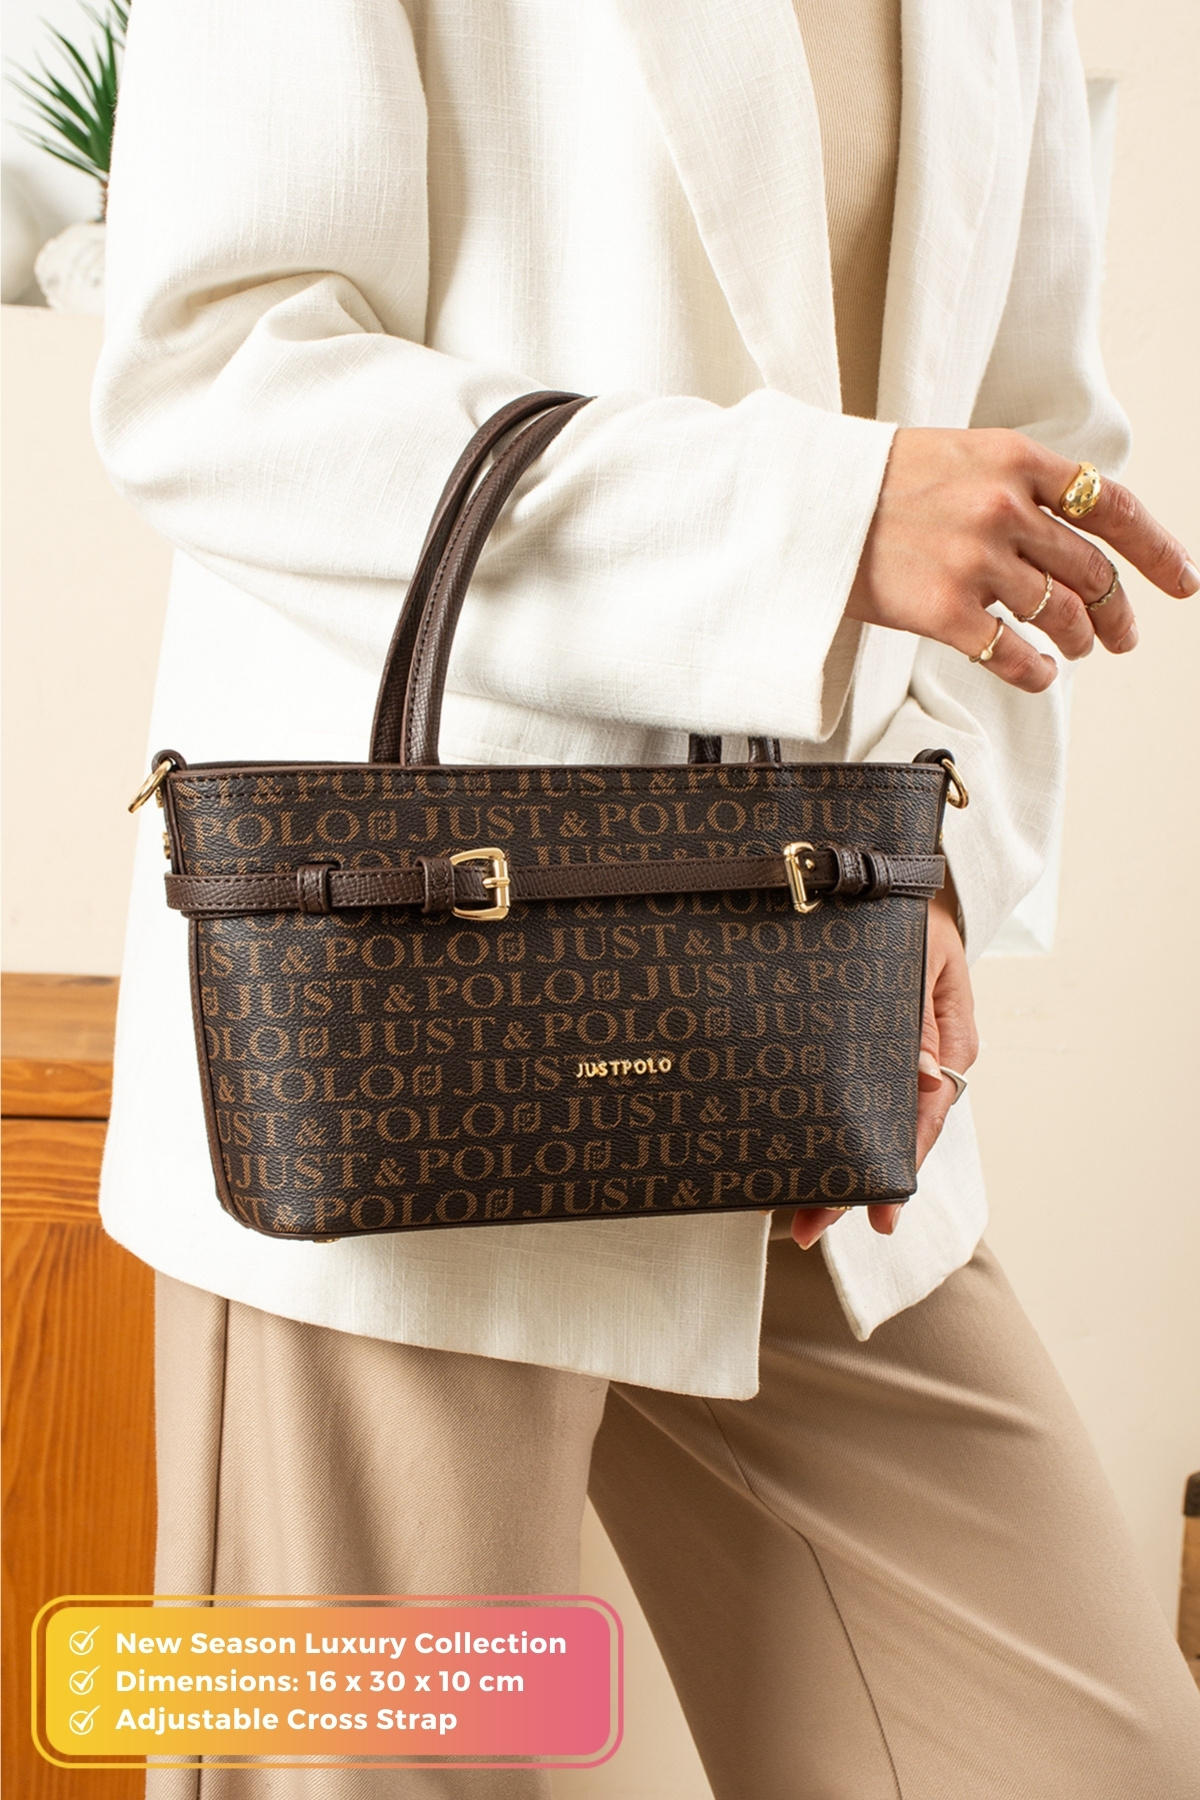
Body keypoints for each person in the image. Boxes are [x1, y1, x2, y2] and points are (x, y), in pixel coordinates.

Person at [93, 1, 1200, 1794]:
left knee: (1088, 1756)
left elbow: (1011, 467)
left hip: (792, 1026)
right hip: (393, 1055)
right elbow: (209, 375)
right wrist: (817, 519)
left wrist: (928, 863)